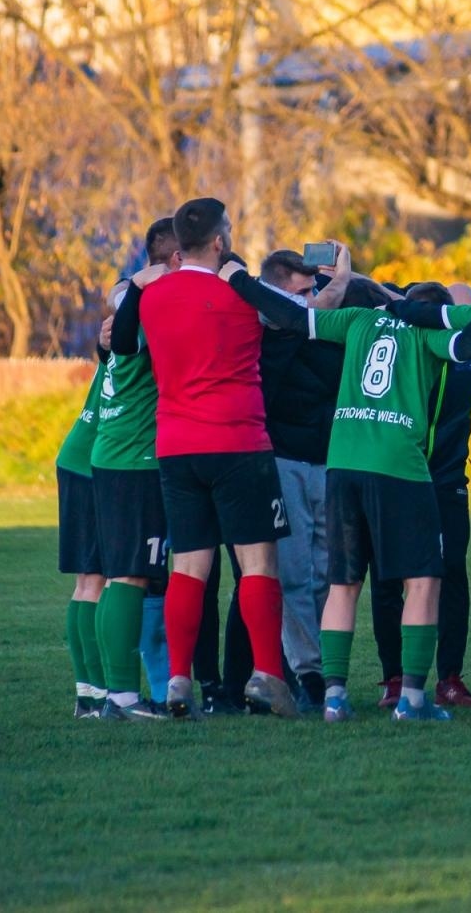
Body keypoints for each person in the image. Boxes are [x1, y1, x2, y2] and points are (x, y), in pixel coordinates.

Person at [228, 271, 471, 722]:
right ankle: (414, 699)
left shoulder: (358, 319)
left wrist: (238, 278)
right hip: (398, 464)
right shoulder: (428, 331)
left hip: (342, 463)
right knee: (422, 581)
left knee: (344, 584)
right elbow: (467, 345)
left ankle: (335, 698)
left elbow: (291, 316)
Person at [116, 198, 296, 719]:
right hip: (239, 443)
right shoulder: (238, 292)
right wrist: (241, 280)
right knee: (257, 562)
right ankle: (268, 675)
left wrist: (137, 284)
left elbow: (124, 344)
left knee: (189, 567)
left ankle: (178, 680)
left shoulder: (151, 296)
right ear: (220, 242)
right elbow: (291, 319)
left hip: (176, 446)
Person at [370, 281, 471, 710]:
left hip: (446, 481)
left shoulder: (468, 358)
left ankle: (450, 677)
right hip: (396, 478)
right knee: (387, 577)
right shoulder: (399, 351)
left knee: (451, 574)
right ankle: (394, 677)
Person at [91, 221, 182, 721]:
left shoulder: (131, 299)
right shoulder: (145, 306)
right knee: (128, 578)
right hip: (135, 459)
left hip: (114, 456)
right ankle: (123, 698)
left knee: (118, 580)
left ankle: (115, 693)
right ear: (172, 262)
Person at [257, 246, 352, 710]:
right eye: (299, 292)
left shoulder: (330, 323)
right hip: (285, 460)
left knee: (323, 571)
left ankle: (321, 670)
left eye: (313, 288)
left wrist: (349, 280)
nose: (311, 298)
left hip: (326, 460)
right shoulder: (265, 333)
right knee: (293, 573)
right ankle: (310, 672)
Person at [58, 310, 112, 718]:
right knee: (95, 581)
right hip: (94, 463)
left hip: (78, 456)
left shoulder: (123, 323)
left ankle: (86, 695)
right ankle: (98, 696)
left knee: (86, 583)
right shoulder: (139, 331)